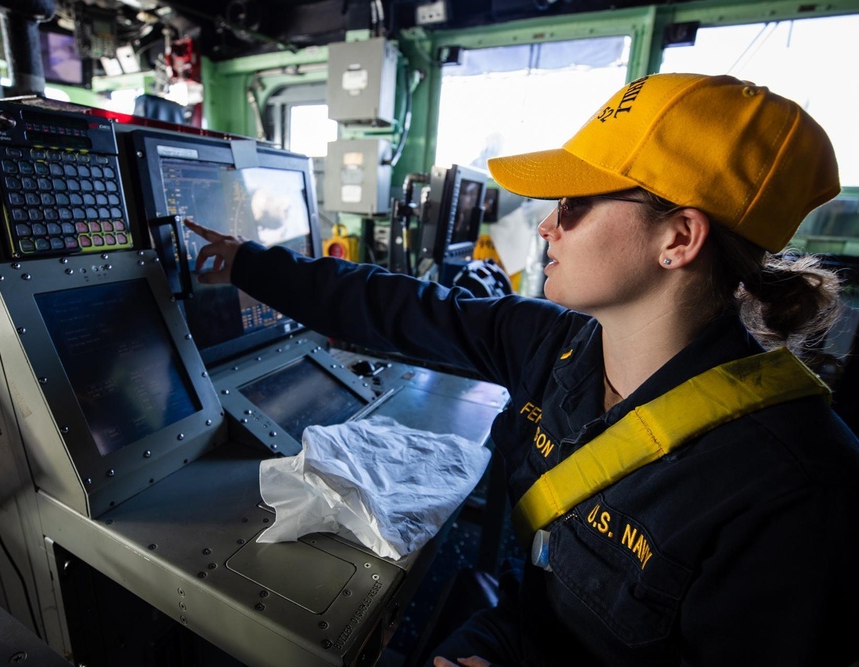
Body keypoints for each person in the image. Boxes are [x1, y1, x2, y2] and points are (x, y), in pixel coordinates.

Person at [186, 72, 859, 665]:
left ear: (678, 238)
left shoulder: (796, 485)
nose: (546, 225)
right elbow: (398, 306)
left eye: (578, 201)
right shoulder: (555, 342)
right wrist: (247, 262)